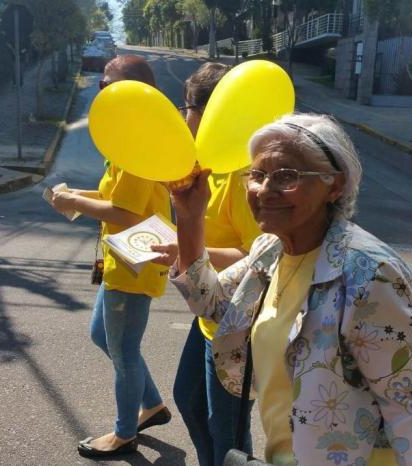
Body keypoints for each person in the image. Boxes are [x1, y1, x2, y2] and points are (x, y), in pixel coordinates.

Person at [168, 113, 412, 465]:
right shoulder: (270, 251)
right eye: (257, 175)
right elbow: (209, 301)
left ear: (335, 185)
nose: (266, 189)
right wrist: (189, 216)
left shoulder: (369, 274)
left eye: (287, 176)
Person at [51, 55, 172, 458]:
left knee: (122, 351)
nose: (101, 90)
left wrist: (76, 204)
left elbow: (126, 213)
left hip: (134, 265)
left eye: (108, 83)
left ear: (134, 91)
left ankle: (124, 434)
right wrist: (75, 197)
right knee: (103, 336)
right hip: (120, 259)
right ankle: (151, 404)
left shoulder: (140, 144)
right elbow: (113, 197)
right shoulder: (127, 139)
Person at [151, 62, 262, 466]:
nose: (183, 117)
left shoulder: (244, 175)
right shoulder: (206, 168)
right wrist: (184, 242)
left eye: (187, 108)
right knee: (190, 400)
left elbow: (259, 256)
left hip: (238, 320)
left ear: (211, 114)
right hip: (210, 313)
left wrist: (185, 249)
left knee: (227, 429)